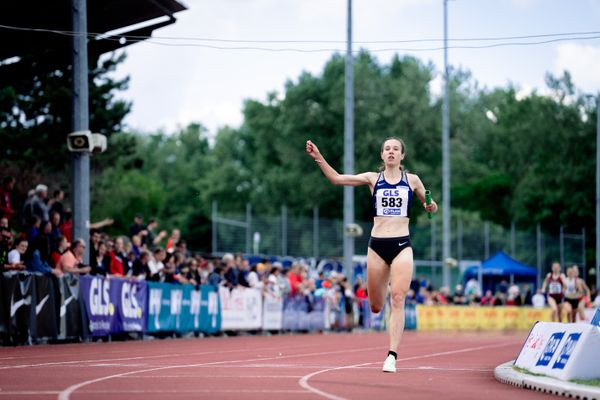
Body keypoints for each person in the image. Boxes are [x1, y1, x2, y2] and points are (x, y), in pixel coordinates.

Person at [306, 137, 438, 373]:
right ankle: (383, 285)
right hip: (377, 246)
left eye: (395, 149)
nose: (391, 152)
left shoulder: (413, 180)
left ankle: (392, 356)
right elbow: (337, 179)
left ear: (402, 156)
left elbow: (432, 205)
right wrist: (318, 157)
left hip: (402, 245)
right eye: (387, 149)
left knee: (398, 298)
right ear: (382, 155)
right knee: (376, 306)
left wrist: (431, 206)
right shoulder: (372, 179)